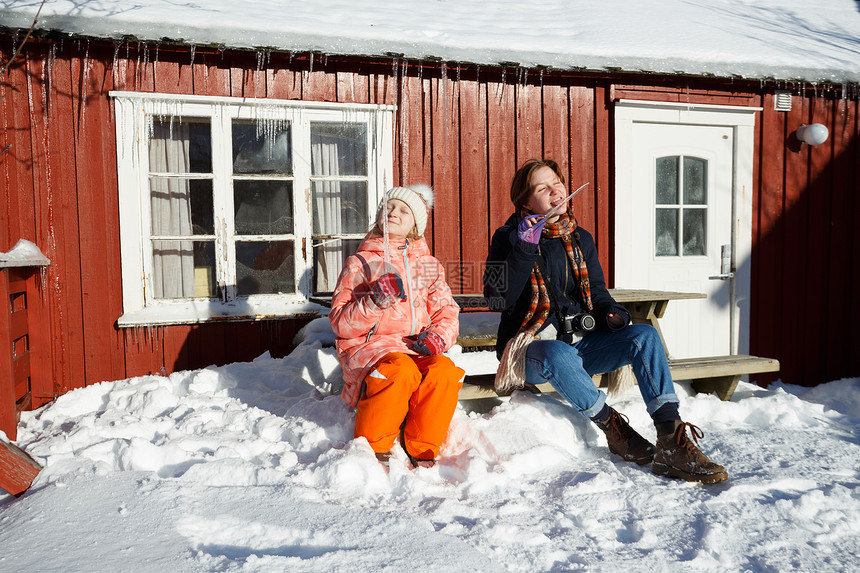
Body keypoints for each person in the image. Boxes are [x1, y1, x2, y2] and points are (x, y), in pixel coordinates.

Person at [483, 159, 728, 483]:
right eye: (543, 188)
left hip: (580, 346)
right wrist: (525, 249)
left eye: (557, 182)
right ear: (526, 202)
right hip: (530, 351)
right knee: (558, 353)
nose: (555, 191)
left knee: (644, 336)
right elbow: (496, 298)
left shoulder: (579, 237)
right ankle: (615, 428)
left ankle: (671, 439)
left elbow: (596, 291)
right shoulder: (508, 238)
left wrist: (613, 314)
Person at [329, 184, 464, 468]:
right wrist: (374, 301)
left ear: (416, 225)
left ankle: (423, 447)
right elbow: (341, 323)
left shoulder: (429, 265)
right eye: (388, 207)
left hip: (416, 345)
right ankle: (373, 445)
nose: (393, 212)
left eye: (403, 210)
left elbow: (446, 310)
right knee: (399, 370)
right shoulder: (361, 263)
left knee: (444, 371)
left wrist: (439, 337)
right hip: (372, 347)